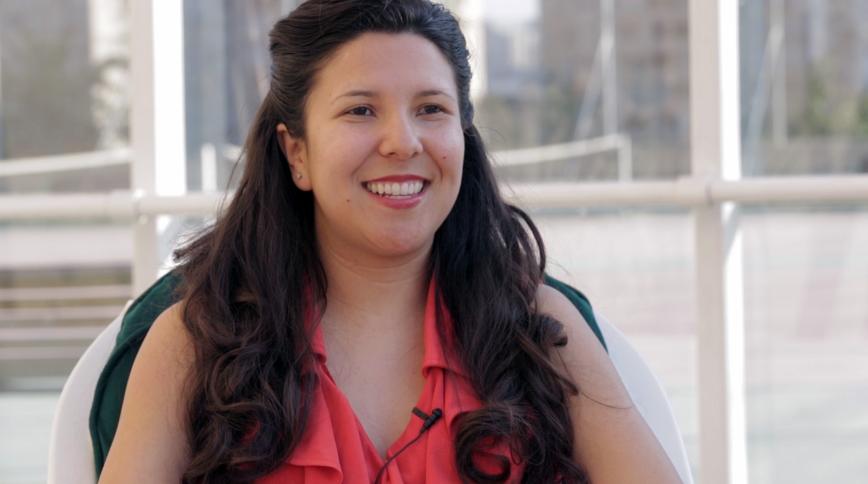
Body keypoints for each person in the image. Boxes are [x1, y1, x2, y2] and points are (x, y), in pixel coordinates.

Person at [98, 0, 682, 482]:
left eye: (431, 108)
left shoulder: (541, 330)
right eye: (360, 110)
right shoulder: (193, 341)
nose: (402, 142)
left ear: (462, 136)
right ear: (296, 153)